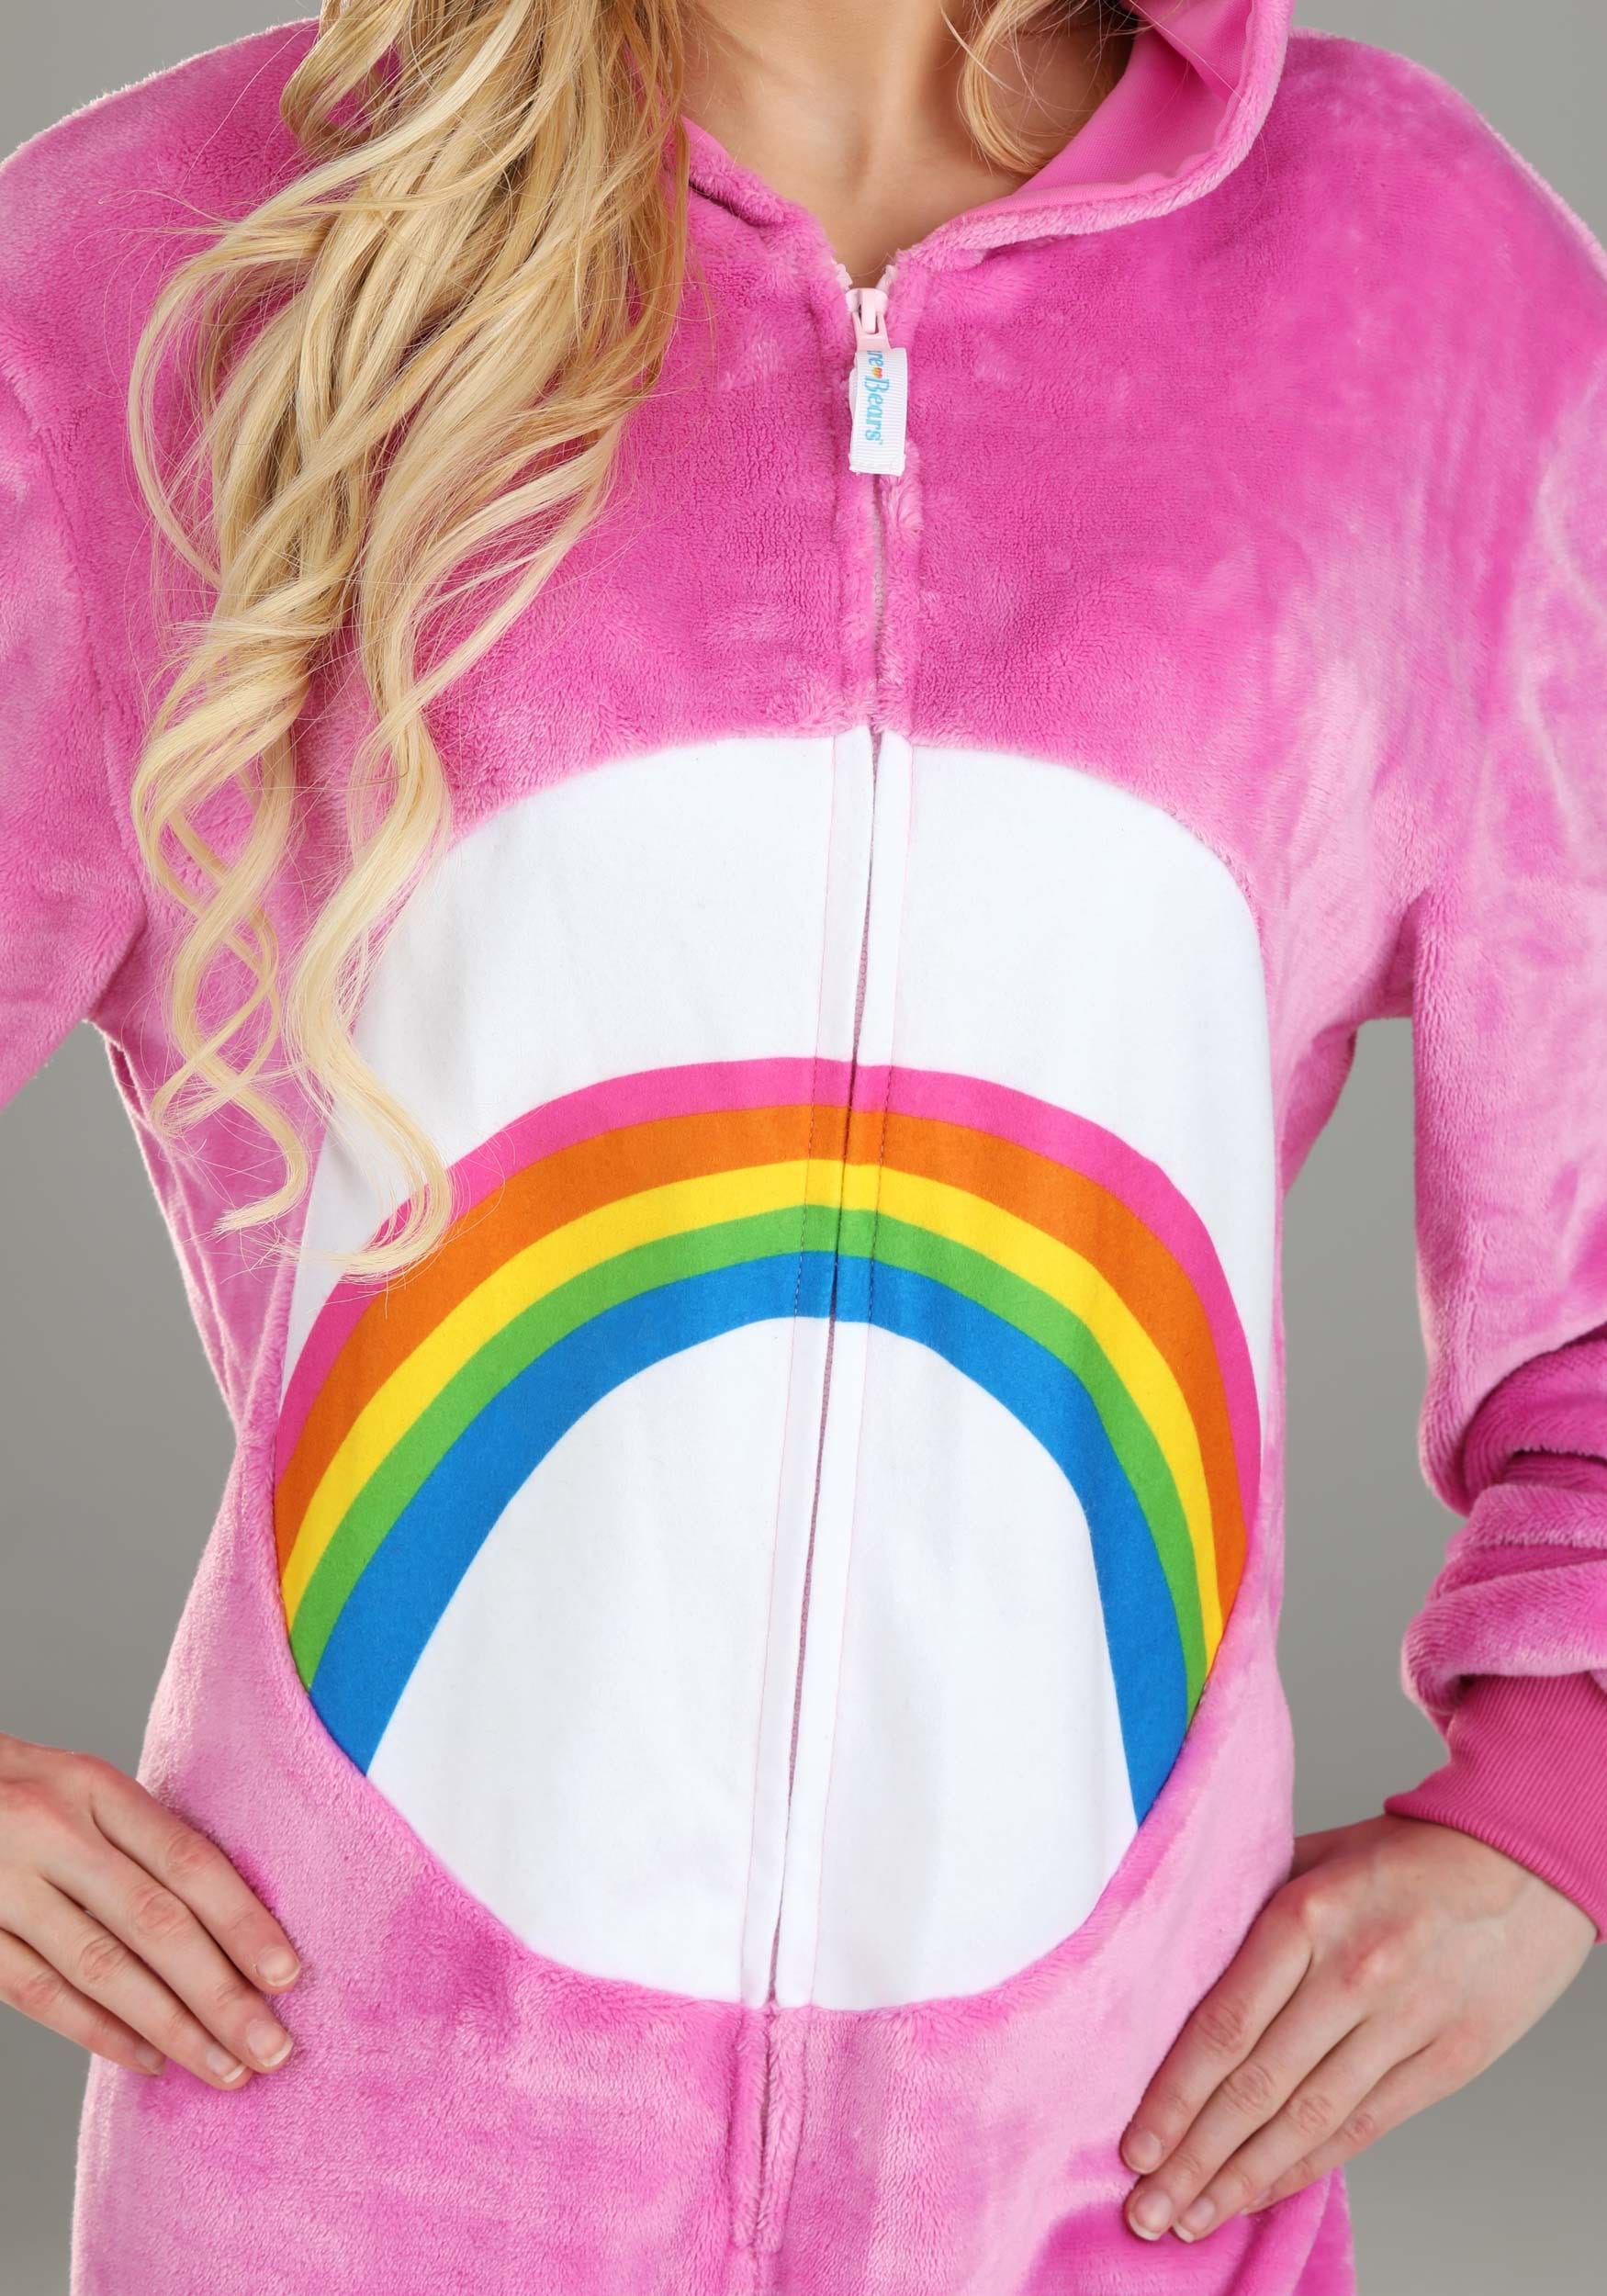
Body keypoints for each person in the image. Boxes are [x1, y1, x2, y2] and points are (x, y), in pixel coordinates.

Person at [0, 2, 1603, 2290]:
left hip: (1101, 2187)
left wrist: (1550, 1803)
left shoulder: (1404, 282)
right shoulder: (182, 255)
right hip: (351, 2167)